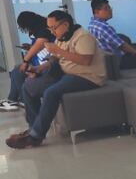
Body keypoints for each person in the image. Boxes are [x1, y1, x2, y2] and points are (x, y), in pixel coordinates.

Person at [7, 10, 106, 149]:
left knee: (51, 92)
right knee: (28, 87)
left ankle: (35, 136)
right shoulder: (62, 36)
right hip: (66, 73)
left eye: (54, 28)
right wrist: (41, 68)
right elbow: (55, 58)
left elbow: (85, 60)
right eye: (50, 28)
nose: (52, 32)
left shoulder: (83, 36)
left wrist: (58, 51)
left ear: (65, 24)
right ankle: (33, 127)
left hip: (86, 76)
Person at [1, 12, 55, 112]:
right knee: (16, 71)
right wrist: (30, 47)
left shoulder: (44, 30)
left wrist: (25, 60)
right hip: (41, 61)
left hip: (46, 65)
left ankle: (21, 100)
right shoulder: (39, 30)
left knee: (18, 71)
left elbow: (41, 44)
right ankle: (14, 99)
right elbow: (41, 46)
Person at [86, 0, 136, 69]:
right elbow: (122, 45)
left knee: (124, 38)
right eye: (106, 8)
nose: (110, 10)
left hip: (105, 59)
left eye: (110, 8)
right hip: (117, 61)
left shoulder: (92, 23)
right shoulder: (104, 27)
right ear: (97, 11)